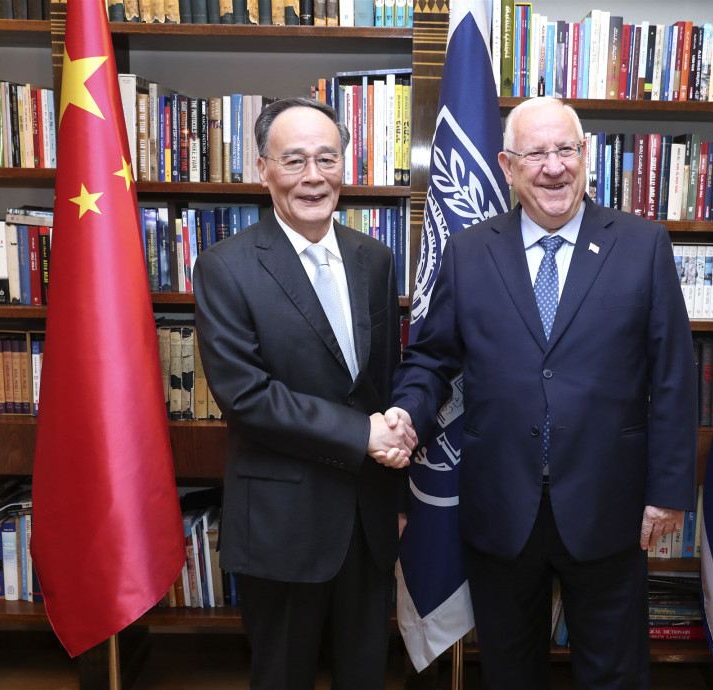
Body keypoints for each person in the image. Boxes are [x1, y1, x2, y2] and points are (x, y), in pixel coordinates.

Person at [386, 97, 698, 688]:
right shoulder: (469, 251)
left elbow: (673, 376)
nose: (554, 167)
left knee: (613, 673)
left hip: (610, 503)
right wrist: (405, 412)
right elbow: (431, 357)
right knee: (509, 671)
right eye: (536, 154)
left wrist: (667, 492)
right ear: (507, 166)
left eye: (566, 150)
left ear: (586, 156)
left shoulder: (643, 244)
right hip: (501, 502)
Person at [193, 96, 414, 690]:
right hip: (282, 523)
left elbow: (382, 381)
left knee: (365, 674)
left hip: (367, 519)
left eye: (327, 158)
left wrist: (397, 490)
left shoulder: (375, 259)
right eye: (293, 161)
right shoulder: (225, 267)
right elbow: (246, 396)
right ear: (263, 169)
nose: (313, 176)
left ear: (344, 164)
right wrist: (362, 433)